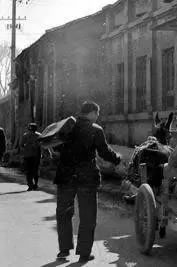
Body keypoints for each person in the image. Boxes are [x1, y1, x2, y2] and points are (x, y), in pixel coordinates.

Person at [54, 101, 121, 263]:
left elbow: (56, 148)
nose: (97, 116)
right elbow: (104, 152)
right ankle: (84, 253)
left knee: (63, 213)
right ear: (91, 112)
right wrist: (117, 159)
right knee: (88, 216)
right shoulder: (95, 130)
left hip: (66, 176)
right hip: (87, 178)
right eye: (97, 113)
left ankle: (64, 250)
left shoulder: (67, 127)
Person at [21, 122, 41, 190]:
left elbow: (21, 145)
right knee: (35, 170)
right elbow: (42, 145)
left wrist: (26, 148)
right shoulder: (39, 135)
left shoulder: (25, 135)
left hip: (28, 155)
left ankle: (30, 184)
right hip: (36, 156)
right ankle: (35, 184)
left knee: (28, 170)